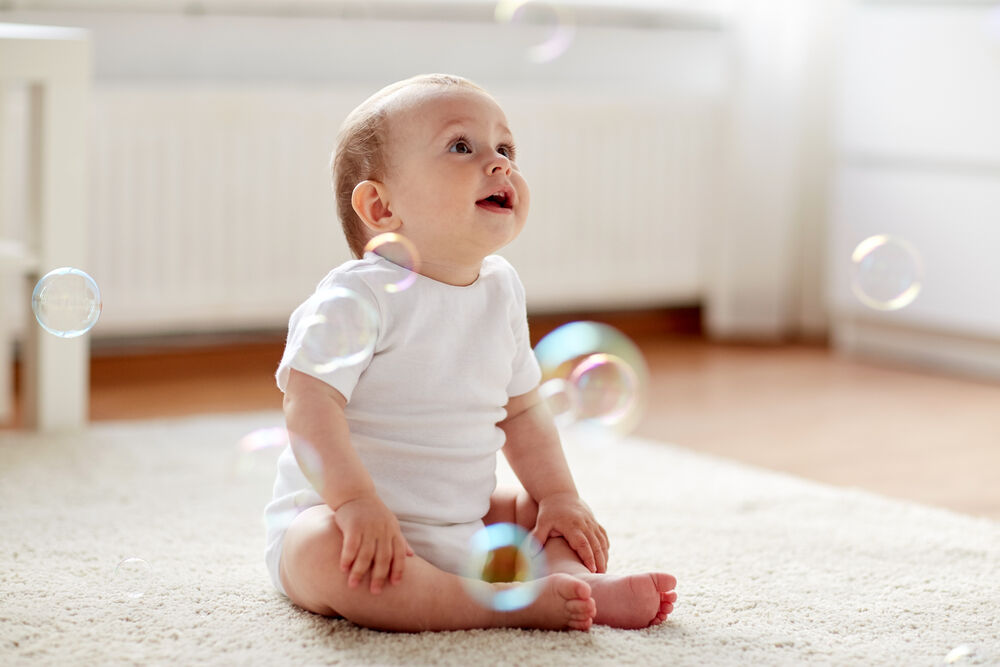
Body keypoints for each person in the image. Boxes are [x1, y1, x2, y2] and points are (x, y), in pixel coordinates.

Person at [264, 73, 677, 632]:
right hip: (352, 526)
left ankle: (578, 583)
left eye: (506, 148)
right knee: (316, 548)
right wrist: (357, 503)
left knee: (536, 510)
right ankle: (489, 605)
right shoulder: (354, 297)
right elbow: (308, 404)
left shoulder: (501, 289)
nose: (500, 163)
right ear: (381, 207)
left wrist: (560, 495)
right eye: (462, 146)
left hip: (462, 522)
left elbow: (524, 410)